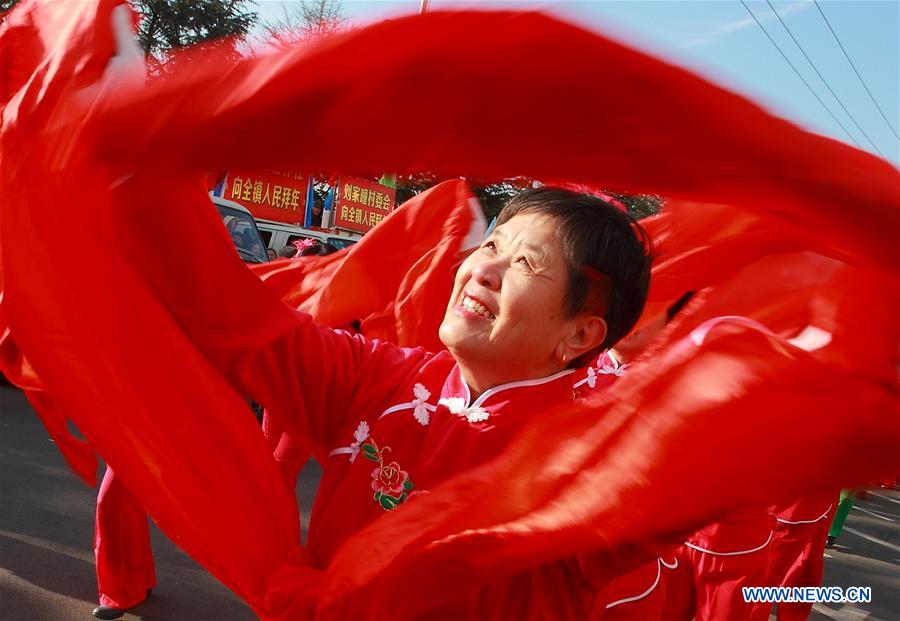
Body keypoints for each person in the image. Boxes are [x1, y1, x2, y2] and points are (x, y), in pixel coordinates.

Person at [235, 187, 652, 618]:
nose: (483, 270)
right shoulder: (378, 378)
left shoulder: (590, 468)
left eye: (526, 262)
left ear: (581, 335)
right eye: (492, 244)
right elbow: (235, 318)